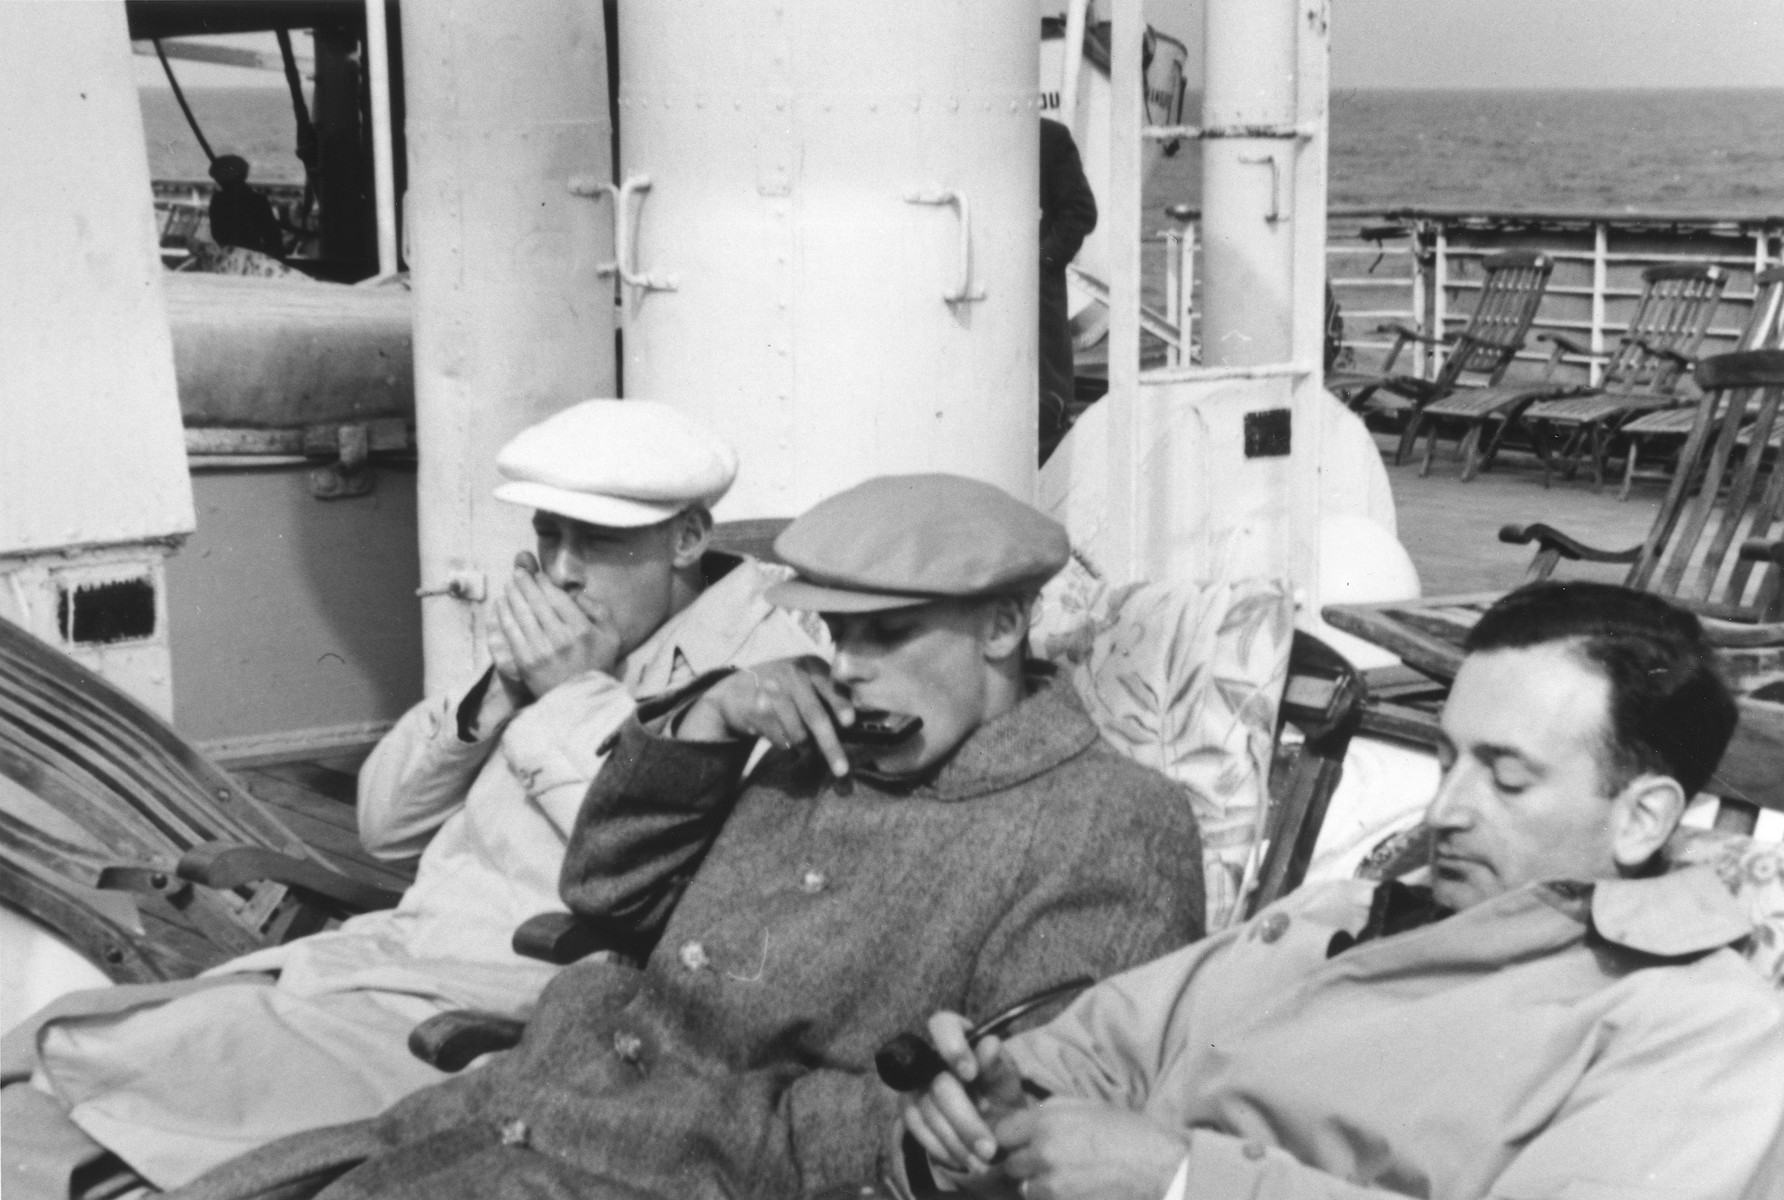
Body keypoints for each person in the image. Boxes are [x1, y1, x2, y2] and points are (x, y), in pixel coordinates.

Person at [164, 473, 1207, 1200]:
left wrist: (727, 1118)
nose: (847, 667)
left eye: (887, 633)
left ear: (1000, 627)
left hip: (699, 1169)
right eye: (837, 634)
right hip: (549, 1095)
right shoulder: (815, 741)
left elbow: (1022, 1123)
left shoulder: (1106, 823)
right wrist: (704, 724)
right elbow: (608, 898)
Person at [2, 400, 823, 1195]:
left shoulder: (765, 683)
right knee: (45, 1065)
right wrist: (498, 697)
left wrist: (570, 693)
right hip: (375, 958)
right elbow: (384, 829)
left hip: (493, 1018)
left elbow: (682, 891)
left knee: (81, 1115)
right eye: (548, 534)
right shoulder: (565, 647)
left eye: (599, 542)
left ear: (688, 536)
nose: (563, 571)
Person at [903, 581, 1784, 1200]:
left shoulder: (1700, 1029)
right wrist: (998, 1125)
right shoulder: (1337, 915)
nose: (1444, 810)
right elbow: (1097, 1054)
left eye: (1506, 780)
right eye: (1445, 760)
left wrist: (1180, 1182)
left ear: (1642, 819)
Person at [1038, 118, 1096, 462]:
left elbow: (1080, 211)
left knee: (1048, 399)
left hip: (1038, 294)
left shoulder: (1050, 138)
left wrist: (1042, 260)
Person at [205, 155, 288, 260]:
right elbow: (272, 237)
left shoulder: (217, 200)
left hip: (226, 256)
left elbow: (217, 234)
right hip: (252, 255)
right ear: (244, 175)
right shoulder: (258, 200)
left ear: (219, 180)